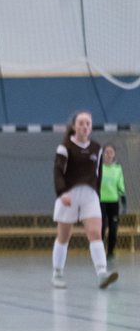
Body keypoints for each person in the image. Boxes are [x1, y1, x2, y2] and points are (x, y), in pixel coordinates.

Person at [51, 111, 118, 290]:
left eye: (88, 123)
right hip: (68, 195)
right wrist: (61, 192)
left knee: (96, 234)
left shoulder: (97, 148)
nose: (85, 126)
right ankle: (57, 272)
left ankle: (102, 273)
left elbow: (98, 174)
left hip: (89, 196)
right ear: (74, 126)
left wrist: (95, 193)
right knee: (64, 237)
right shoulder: (64, 147)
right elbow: (58, 172)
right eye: (81, 123)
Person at [100, 144, 126, 263]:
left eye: (111, 152)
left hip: (114, 202)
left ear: (114, 154)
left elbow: (120, 184)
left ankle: (110, 252)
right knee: (101, 227)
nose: (109, 154)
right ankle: (99, 252)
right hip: (101, 202)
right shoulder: (99, 167)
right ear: (103, 153)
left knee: (113, 228)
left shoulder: (118, 168)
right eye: (106, 152)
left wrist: (123, 201)